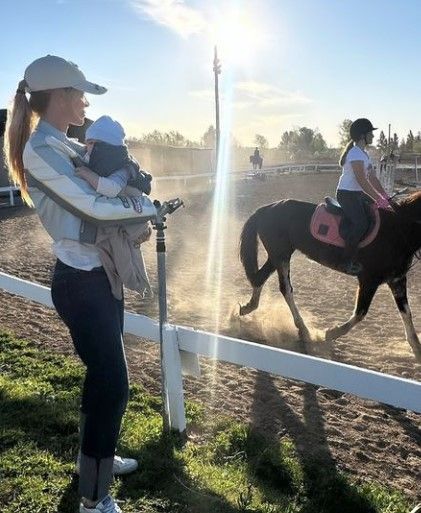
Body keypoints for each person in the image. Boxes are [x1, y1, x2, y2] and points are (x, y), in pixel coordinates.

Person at [4, 55, 157, 513]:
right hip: (81, 280)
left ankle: (98, 463)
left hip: (97, 276)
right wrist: (148, 209)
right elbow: (94, 207)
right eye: (79, 93)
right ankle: (94, 497)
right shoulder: (42, 151)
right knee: (113, 383)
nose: (85, 100)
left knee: (104, 378)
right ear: (60, 97)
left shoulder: (66, 146)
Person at [337, 118, 391, 275]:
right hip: (346, 194)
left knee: (378, 214)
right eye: (370, 133)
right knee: (361, 223)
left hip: (357, 194)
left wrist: (385, 196)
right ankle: (346, 261)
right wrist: (377, 199)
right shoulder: (355, 153)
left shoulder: (364, 154)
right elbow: (362, 180)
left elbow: (373, 178)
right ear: (362, 135)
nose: (373, 136)